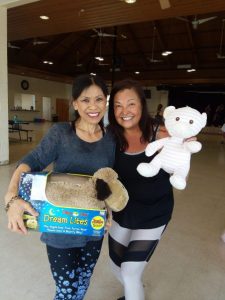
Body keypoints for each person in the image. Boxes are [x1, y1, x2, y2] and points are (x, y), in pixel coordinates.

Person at [4, 74, 115, 300]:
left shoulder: (111, 138)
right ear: (75, 103)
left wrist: (109, 208)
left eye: (99, 99)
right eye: (85, 100)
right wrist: (11, 196)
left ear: (106, 102)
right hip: (59, 227)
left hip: (92, 226)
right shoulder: (61, 134)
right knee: (66, 289)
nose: (93, 106)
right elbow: (30, 162)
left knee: (83, 281)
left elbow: (111, 180)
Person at [107, 79, 174, 300]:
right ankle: (134, 290)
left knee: (129, 272)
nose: (124, 111)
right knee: (116, 266)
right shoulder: (109, 137)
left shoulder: (161, 133)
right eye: (118, 105)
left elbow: (179, 165)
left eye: (131, 104)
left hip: (154, 213)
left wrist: (182, 144)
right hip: (123, 211)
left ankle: (133, 291)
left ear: (142, 106)